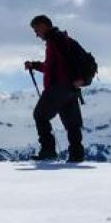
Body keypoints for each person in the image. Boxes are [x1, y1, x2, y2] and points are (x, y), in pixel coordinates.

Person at [23, 15, 86, 162]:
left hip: (59, 87)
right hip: (71, 88)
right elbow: (55, 67)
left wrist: (35, 66)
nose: (36, 34)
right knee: (72, 124)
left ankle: (48, 151)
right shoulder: (64, 40)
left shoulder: (55, 41)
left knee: (40, 115)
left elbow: (52, 69)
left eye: (36, 29)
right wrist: (35, 65)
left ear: (44, 26)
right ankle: (77, 155)